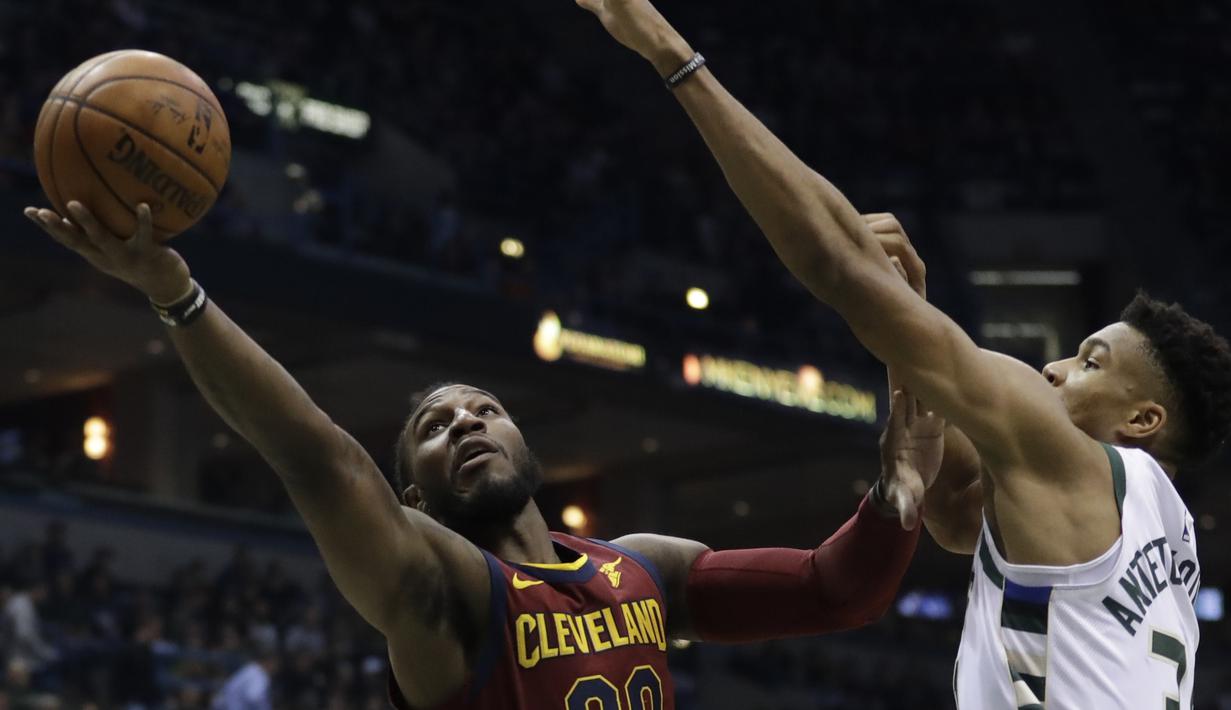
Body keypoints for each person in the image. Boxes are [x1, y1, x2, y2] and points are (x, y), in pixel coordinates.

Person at [575, 0, 1231, 707]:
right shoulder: (1167, 542)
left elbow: (836, 267)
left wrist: (670, 53)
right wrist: (908, 345)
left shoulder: (1069, 456)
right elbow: (952, 518)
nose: (1052, 370)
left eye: (1089, 362)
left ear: (1141, 420)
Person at [24, 201, 938, 706]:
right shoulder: (446, 594)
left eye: (483, 410)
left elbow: (837, 592)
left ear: (522, 440)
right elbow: (317, 457)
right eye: (433, 427)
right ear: (412, 503)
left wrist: (901, 459)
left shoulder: (645, 571)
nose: (464, 423)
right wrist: (177, 293)